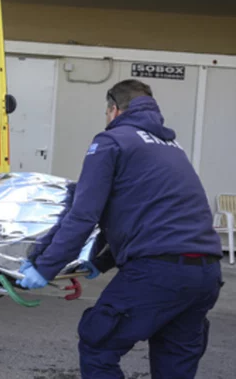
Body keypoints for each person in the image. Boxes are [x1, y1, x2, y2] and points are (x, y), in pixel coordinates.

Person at [17, 79, 223, 379]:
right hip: (204, 275)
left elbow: (82, 215)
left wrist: (44, 268)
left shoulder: (111, 141)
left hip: (158, 273)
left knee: (98, 346)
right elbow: (152, 216)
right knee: (173, 365)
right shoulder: (171, 146)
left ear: (113, 109)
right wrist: (100, 262)